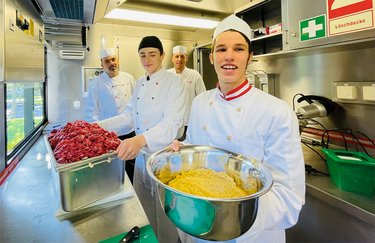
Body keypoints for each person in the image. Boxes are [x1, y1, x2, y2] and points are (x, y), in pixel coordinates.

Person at [171, 15, 305, 243]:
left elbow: (288, 198)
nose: (229, 56)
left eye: (239, 49)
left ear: (250, 57)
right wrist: (180, 149)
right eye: (221, 49)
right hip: (197, 226)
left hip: (250, 235)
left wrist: (229, 218)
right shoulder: (201, 102)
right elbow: (196, 151)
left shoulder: (277, 112)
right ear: (212, 57)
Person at [97, 36, 185, 243]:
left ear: (162, 56)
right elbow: (129, 117)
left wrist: (140, 140)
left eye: (152, 54)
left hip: (165, 160)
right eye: (142, 55)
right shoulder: (139, 83)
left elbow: (172, 123)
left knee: (166, 217)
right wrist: (99, 127)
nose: (147, 59)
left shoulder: (174, 83)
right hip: (141, 160)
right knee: (143, 211)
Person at [85, 47, 137, 181]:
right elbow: (91, 110)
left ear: (117, 60)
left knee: (131, 166)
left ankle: (132, 192)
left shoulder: (129, 78)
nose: (111, 63)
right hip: (110, 134)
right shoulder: (95, 83)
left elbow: (137, 103)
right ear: (102, 64)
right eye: (107, 61)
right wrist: (96, 133)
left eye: (113, 59)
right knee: (113, 167)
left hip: (130, 131)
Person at [167, 45, 206, 141]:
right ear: (172, 59)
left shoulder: (194, 75)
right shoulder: (166, 75)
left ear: (186, 58)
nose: (179, 59)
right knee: (173, 150)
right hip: (172, 122)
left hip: (190, 122)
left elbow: (203, 98)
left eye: (182, 56)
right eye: (176, 56)